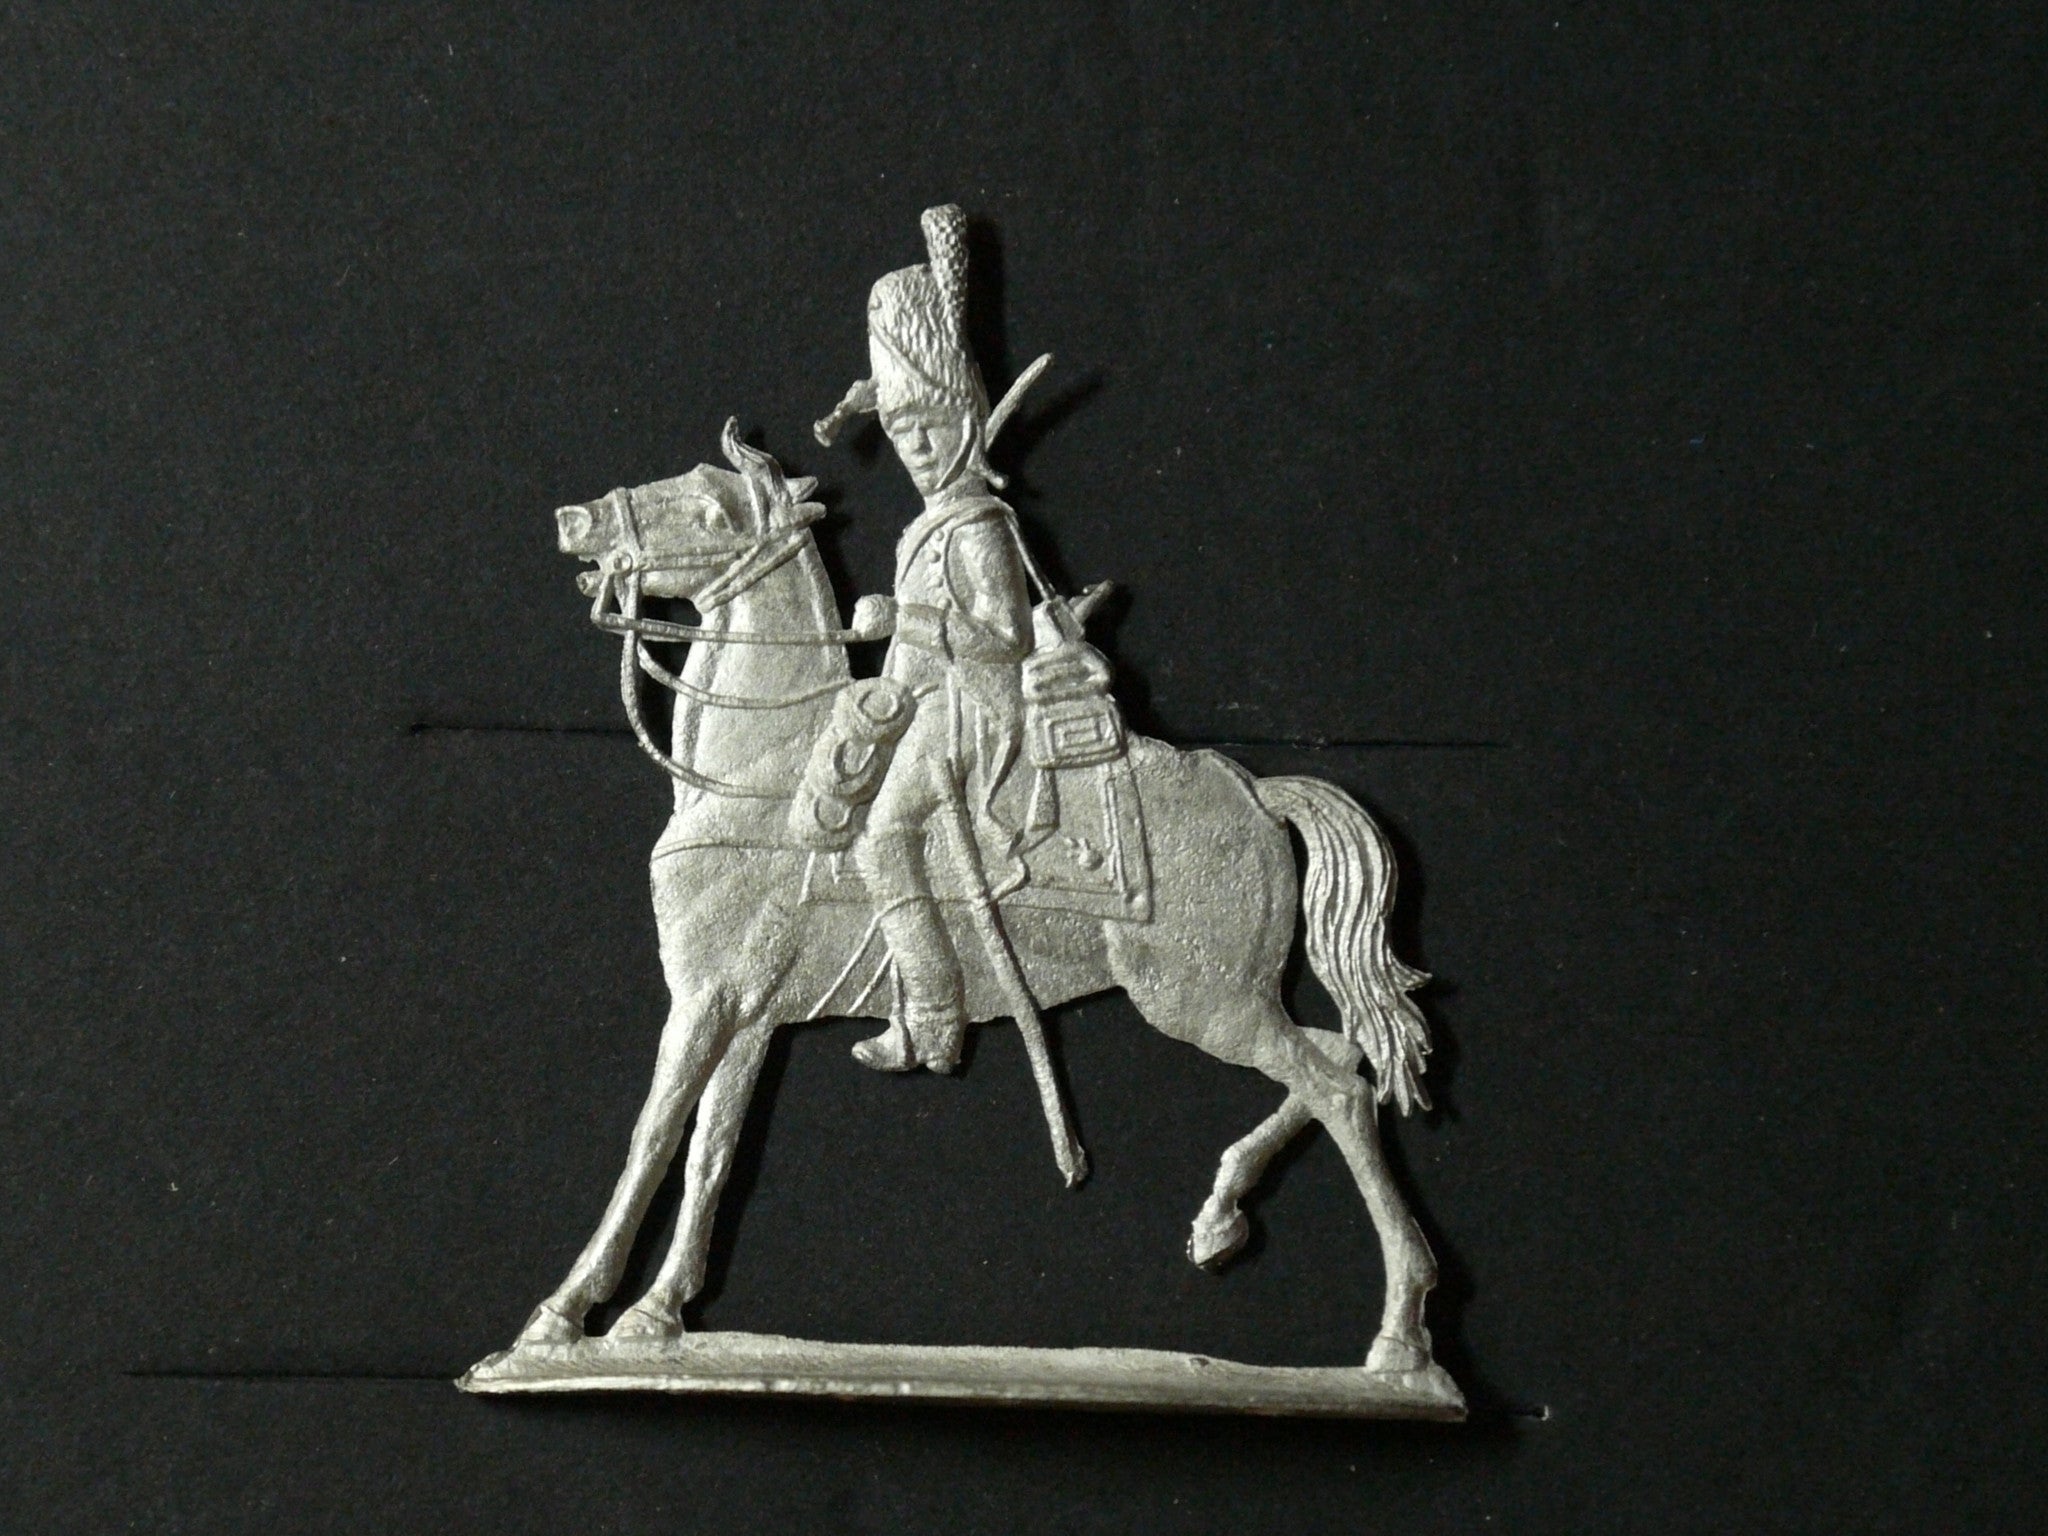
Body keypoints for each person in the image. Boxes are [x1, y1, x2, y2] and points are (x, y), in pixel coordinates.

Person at [814, 205, 1041, 1073]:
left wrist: (906, 622)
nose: (911, 449)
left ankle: (936, 1020)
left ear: (962, 423)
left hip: (975, 709)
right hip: (923, 698)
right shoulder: (928, 524)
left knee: (882, 836)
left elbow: (1006, 637)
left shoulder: (977, 524)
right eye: (899, 434)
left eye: (926, 431)